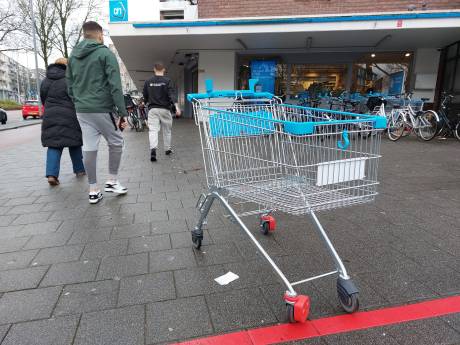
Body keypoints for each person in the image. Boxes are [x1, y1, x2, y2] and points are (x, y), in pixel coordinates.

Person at [67, 21, 128, 204]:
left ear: (84, 34)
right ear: (100, 34)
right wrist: (122, 113)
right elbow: (115, 86)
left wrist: (78, 102)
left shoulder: (73, 56)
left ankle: (93, 190)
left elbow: (69, 86)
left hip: (82, 110)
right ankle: (112, 181)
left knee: (89, 147)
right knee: (116, 141)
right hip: (102, 108)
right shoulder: (105, 53)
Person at [40, 58, 85, 186]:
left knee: (54, 145)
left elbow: (43, 100)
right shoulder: (69, 80)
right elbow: (76, 97)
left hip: (50, 116)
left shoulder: (45, 81)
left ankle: (52, 175)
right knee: (75, 142)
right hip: (69, 115)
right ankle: (79, 170)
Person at [143, 62, 181, 162]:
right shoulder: (167, 81)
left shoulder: (148, 81)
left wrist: (146, 102)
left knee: (153, 130)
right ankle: (167, 149)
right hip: (165, 109)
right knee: (167, 130)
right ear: (164, 69)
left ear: (154, 69)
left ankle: (153, 150)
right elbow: (171, 95)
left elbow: (145, 96)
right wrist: (177, 107)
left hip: (153, 110)